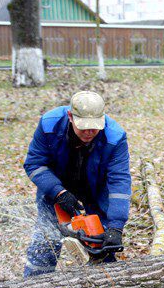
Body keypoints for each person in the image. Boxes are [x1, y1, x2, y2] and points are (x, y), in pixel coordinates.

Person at [22, 91, 131, 277]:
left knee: (100, 244)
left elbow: (119, 181)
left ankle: (105, 286)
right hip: (55, 187)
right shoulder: (50, 125)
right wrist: (59, 192)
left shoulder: (115, 137)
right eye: (84, 127)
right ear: (70, 117)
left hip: (96, 191)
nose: (89, 132)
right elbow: (34, 163)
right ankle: (34, 285)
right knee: (46, 242)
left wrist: (116, 226)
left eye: (94, 127)